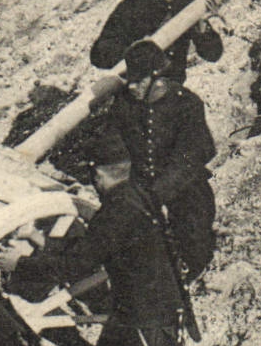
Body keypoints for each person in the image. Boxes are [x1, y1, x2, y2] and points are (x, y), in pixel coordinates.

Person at [0, 129, 186, 346]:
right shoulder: (135, 198)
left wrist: (19, 264)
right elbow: (91, 251)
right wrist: (39, 240)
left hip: (149, 321)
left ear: (97, 174)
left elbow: (74, 266)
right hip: (133, 314)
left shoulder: (117, 211)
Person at [91, 40, 217, 281]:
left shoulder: (186, 103)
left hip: (183, 187)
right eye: (130, 80)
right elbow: (112, 148)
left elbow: (190, 156)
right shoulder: (124, 105)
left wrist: (157, 194)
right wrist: (121, 189)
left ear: (157, 78)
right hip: (141, 187)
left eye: (139, 81)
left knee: (194, 235)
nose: (132, 86)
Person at [91, 0, 222, 84]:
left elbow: (213, 55)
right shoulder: (133, 6)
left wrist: (204, 31)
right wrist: (133, 52)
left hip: (171, 90)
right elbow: (98, 56)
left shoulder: (185, 3)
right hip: (136, 91)